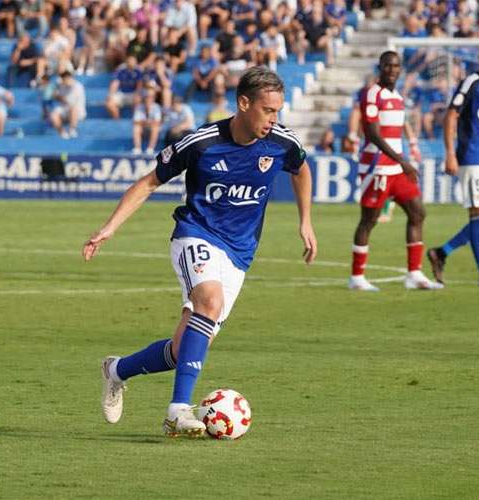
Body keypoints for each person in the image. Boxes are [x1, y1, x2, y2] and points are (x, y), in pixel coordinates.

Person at [85, 66, 316, 436]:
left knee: (183, 349)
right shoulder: (202, 142)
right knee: (209, 302)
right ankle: (177, 410)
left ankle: (115, 370)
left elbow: (301, 170)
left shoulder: (282, 142)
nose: (274, 119)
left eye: (278, 111)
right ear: (244, 103)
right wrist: (109, 228)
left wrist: (305, 221)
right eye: (268, 110)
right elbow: (148, 182)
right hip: (196, 235)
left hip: (240, 254)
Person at [349, 52, 441, 291]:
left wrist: (408, 150)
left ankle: (414, 274)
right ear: (380, 67)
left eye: (396, 66)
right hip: (377, 167)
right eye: (388, 65)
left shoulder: (397, 96)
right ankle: (357, 278)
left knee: (418, 212)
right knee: (369, 220)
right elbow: (371, 132)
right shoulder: (372, 94)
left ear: (400, 70)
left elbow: (399, 127)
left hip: (397, 169)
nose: (392, 69)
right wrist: (402, 159)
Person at [426, 42, 479, 287]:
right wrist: (450, 153)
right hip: (472, 156)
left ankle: (441, 253)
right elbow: (452, 114)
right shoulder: (472, 81)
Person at [49, 71, 86, 139]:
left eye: (67, 78)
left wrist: (60, 97)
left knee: (73, 109)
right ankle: (62, 133)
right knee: (53, 114)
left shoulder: (78, 86)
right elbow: (55, 96)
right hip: (65, 111)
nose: (65, 80)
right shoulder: (62, 86)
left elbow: (70, 102)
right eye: (64, 78)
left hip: (78, 112)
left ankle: (72, 130)